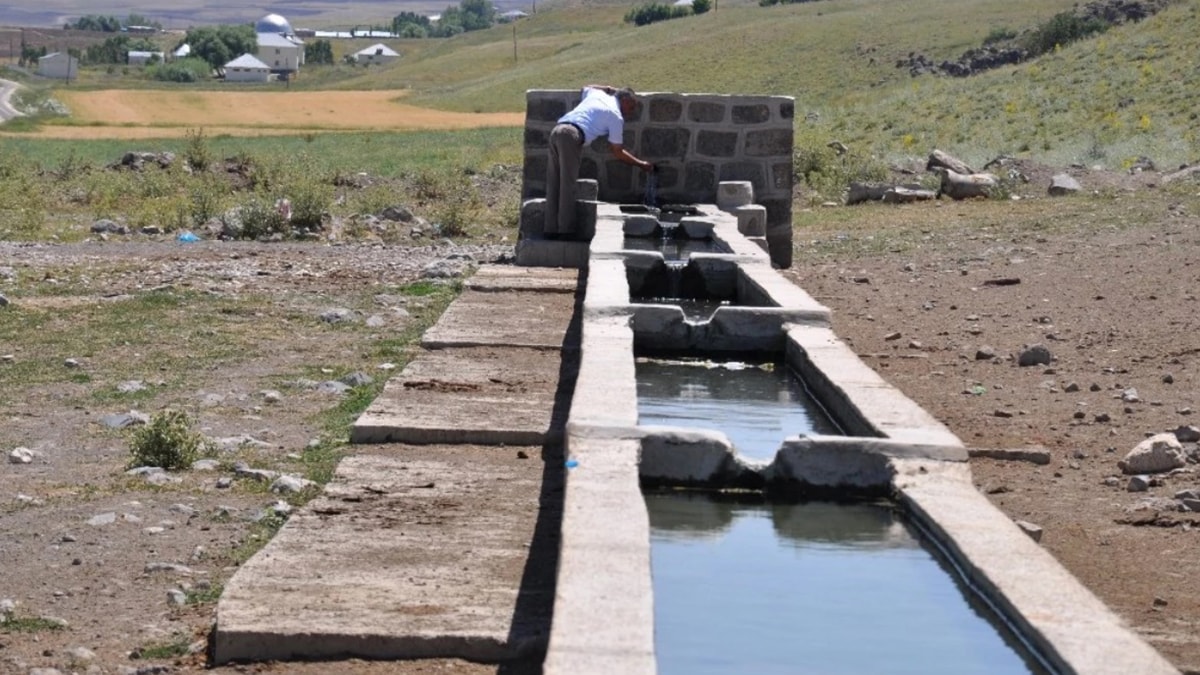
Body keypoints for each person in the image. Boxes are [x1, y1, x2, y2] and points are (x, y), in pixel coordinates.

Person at [544, 85, 654, 239]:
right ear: (624, 100)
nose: (632, 111)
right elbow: (617, 151)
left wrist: (607, 88)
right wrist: (641, 164)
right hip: (572, 136)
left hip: (557, 130)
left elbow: (585, 87)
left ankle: (549, 230)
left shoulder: (597, 95)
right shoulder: (615, 116)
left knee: (554, 181)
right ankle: (565, 232)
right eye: (631, 106)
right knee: (568, 184)